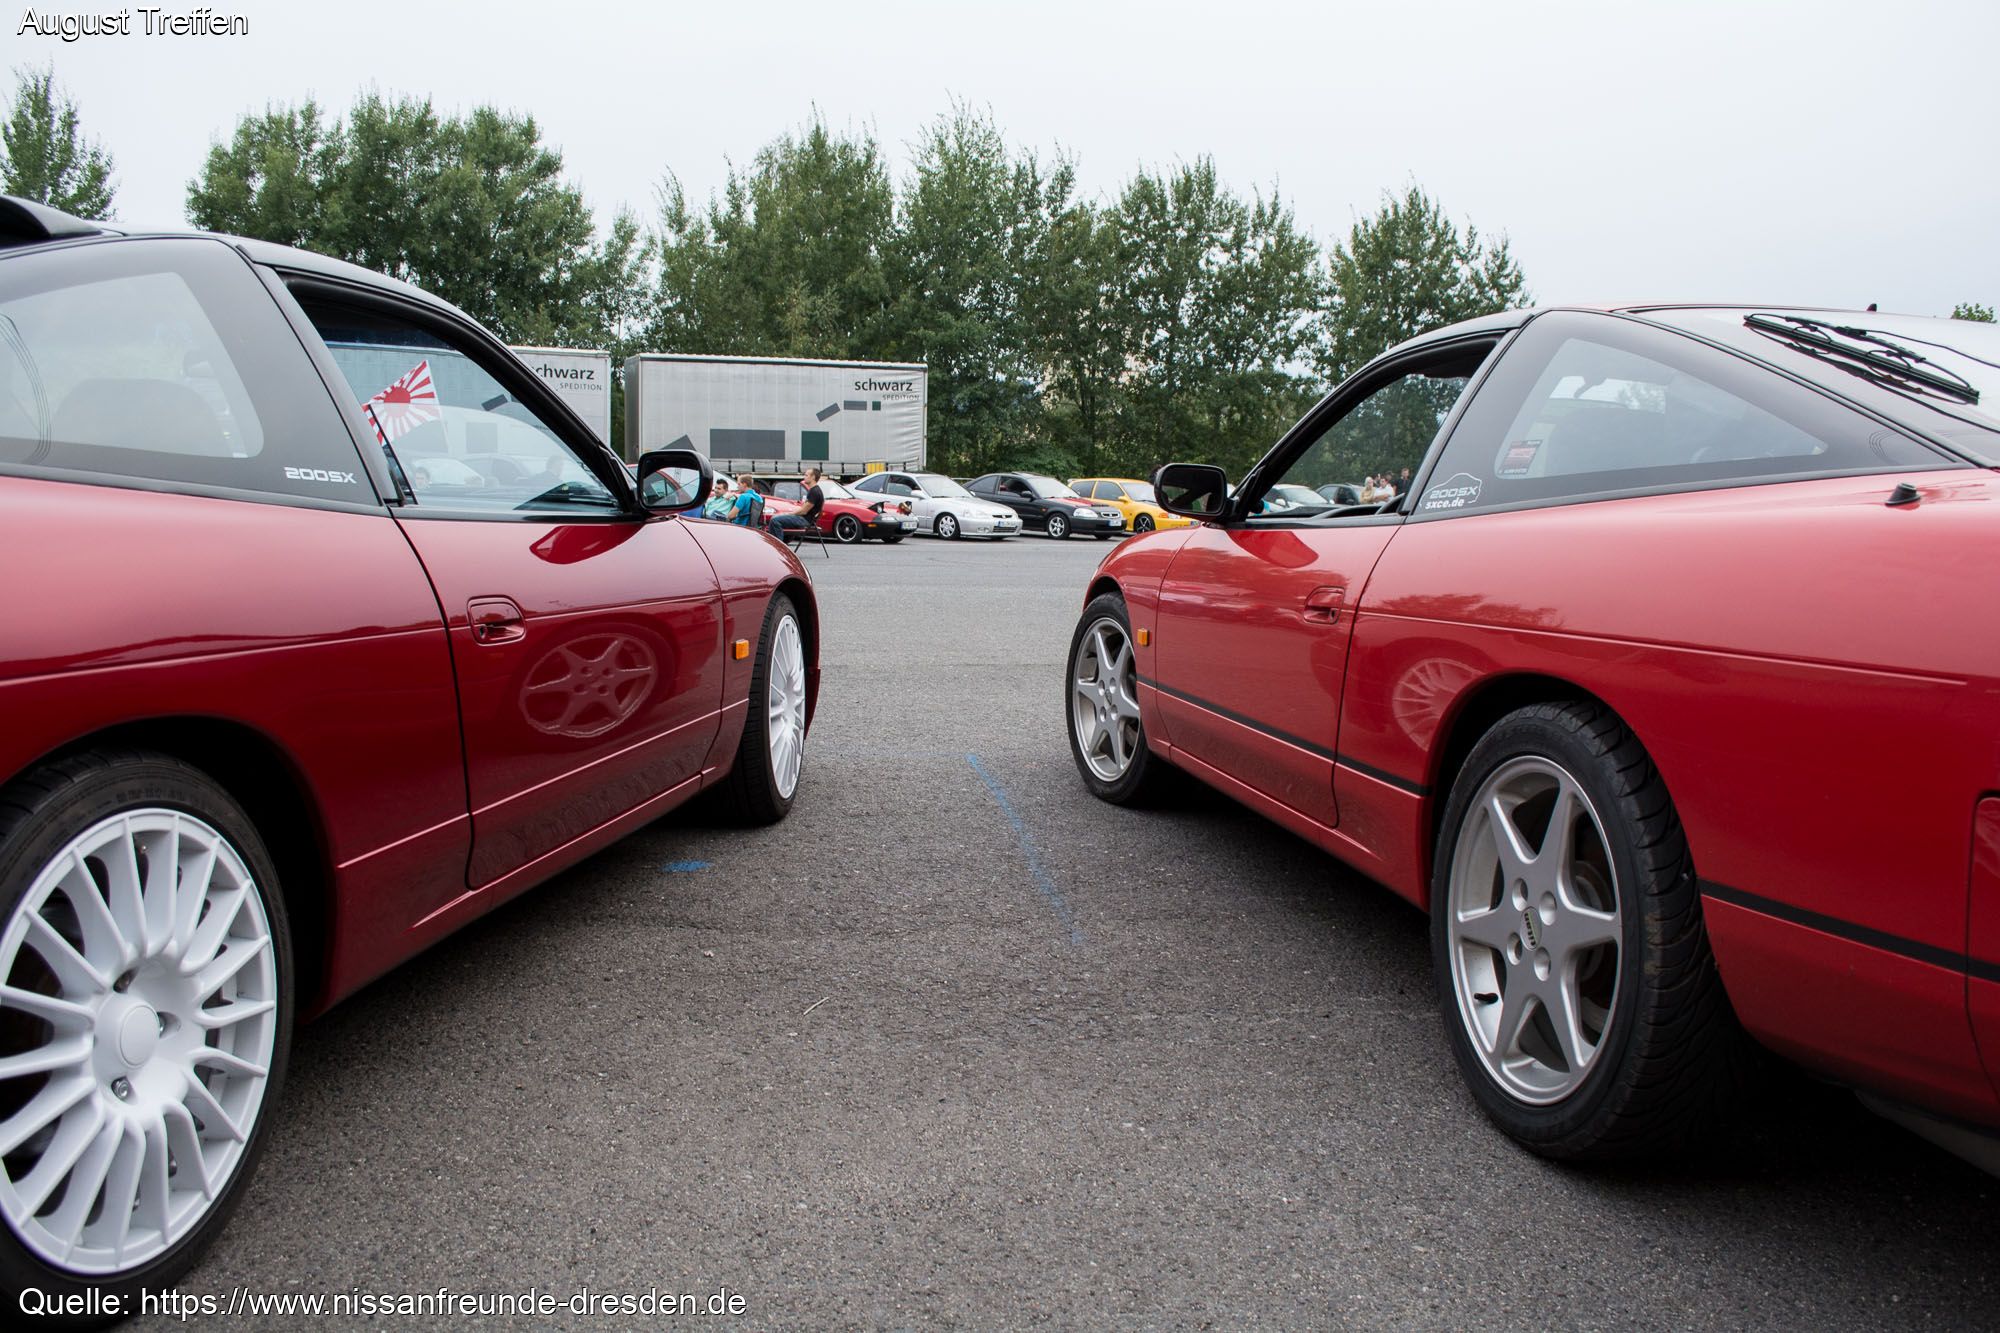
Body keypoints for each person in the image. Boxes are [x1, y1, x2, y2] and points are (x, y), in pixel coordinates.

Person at [766, 466, 825, 540]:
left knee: (775, 520)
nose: (804, 477)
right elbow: (804, 509)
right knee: (775, 517)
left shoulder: (814, 491)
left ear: (813, 477)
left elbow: (803, 511)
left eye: (806, 475)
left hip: (805, 520)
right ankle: (778, 542)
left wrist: (787, 514)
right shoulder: (814, 490)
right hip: (805, 519)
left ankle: (778, 545)